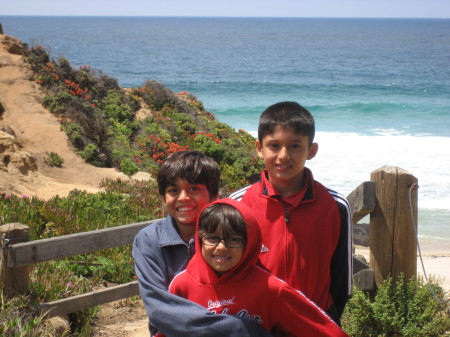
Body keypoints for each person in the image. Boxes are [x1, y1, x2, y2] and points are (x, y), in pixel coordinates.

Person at [229, 102, 352, 325]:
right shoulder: (238, 204)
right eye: (274, 145)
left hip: (315, 321)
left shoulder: (335, 205)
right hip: (256, 323)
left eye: (295, 146)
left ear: (311, 151)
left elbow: (341, 278)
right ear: (259, 148)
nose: (284, 155)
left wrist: (327, 320)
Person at [133, 151, 272, 337]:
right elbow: (159, 308)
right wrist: (237, 328)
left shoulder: (234, 234)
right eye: (173, 190)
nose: (183, 197)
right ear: (163, 197)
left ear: (214, 195)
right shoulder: (149, 240)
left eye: (194, 189)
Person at [164, 198, 349, 337]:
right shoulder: (181, 285)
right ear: (199, 238)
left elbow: (319, 327)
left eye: (233, 240)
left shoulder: (269, 288)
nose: (221, 247)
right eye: (212, 238)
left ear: (250, 244)